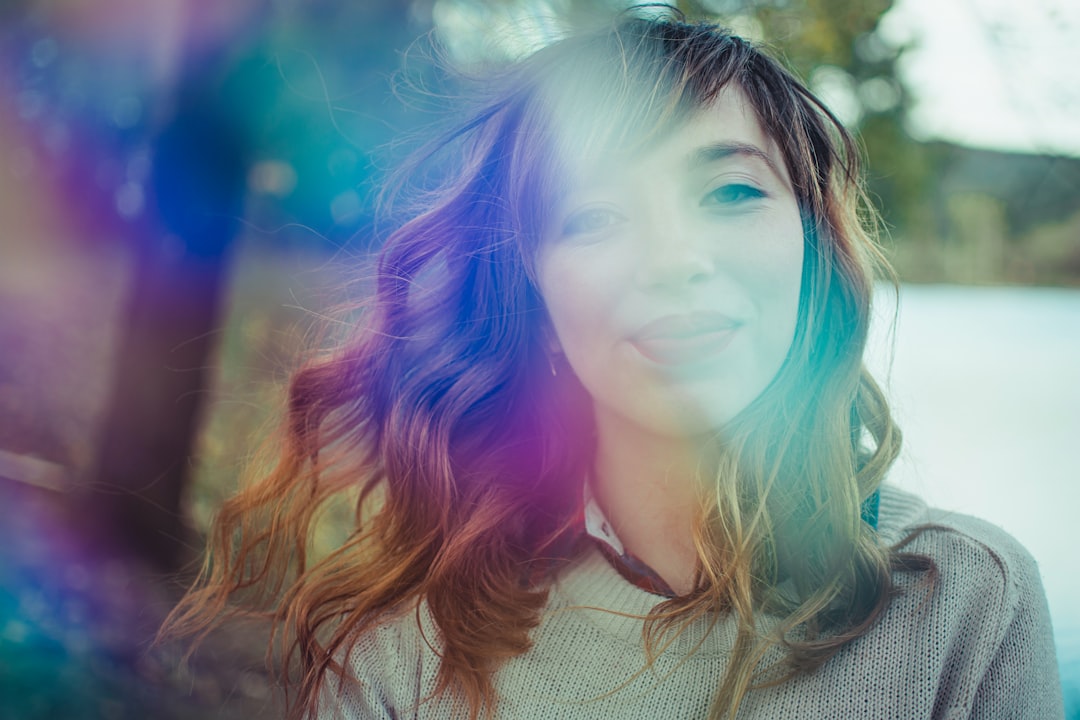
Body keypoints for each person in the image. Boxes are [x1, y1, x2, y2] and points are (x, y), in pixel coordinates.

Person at [161, 10, 1064, 719]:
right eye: (593, 216)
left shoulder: (965, 602)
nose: (673, 257)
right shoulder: (406, 642)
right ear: (536, 298)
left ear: (813, 253)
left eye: (732, 190)